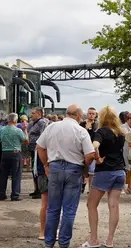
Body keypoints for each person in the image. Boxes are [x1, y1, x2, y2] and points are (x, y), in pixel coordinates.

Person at [36, 104, 95, 248]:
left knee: (53, 208)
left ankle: (49, 242)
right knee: (69, 209)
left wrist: (45, 164)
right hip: (74, 169)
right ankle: (64, 242)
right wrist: (85, 170)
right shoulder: (80, 130)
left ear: (68, 113)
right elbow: (90, 154)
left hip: (55, 167)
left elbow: (40, 146)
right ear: (79, 116)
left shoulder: (51, 127)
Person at [82, 106, 127, 248]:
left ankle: (93, 239)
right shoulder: (121, 133)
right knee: (114, 205)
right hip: (120, 171)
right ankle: (110, 240)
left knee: (91, 204)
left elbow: (94, 144)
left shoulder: (101, 132)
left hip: (104, 171)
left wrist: (97, 157)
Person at [0, 113, 29, 201]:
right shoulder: (18, 130)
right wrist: (25, 130)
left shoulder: (2, 130)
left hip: (5, 153)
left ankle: (2, 194)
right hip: (15, 153)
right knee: (16, 175)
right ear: (15, 121)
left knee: (3, 175)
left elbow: (0, 139)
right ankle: (15, 195)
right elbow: (26, 141)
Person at [28, 107, 50, 198]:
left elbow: (43, 135)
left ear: (39, 114)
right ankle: (36, 188)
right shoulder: (33, 123)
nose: (31, 115)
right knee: (35, 170)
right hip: (33, 149)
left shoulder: (42, 123)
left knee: (39, 170)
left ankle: (41, 190)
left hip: (39, 150)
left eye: (33, 113)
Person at [81, 107, 98, 194]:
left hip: (92, 149)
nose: (91, 115)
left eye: (93, 114)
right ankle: (82, 183)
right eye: (90, 113)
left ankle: (90, 189)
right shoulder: (82, 124)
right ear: (87, 114)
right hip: (82, 149)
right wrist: (86, 129)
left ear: (95, 115)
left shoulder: (97, 125)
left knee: (92, 171)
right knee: (82, 168)